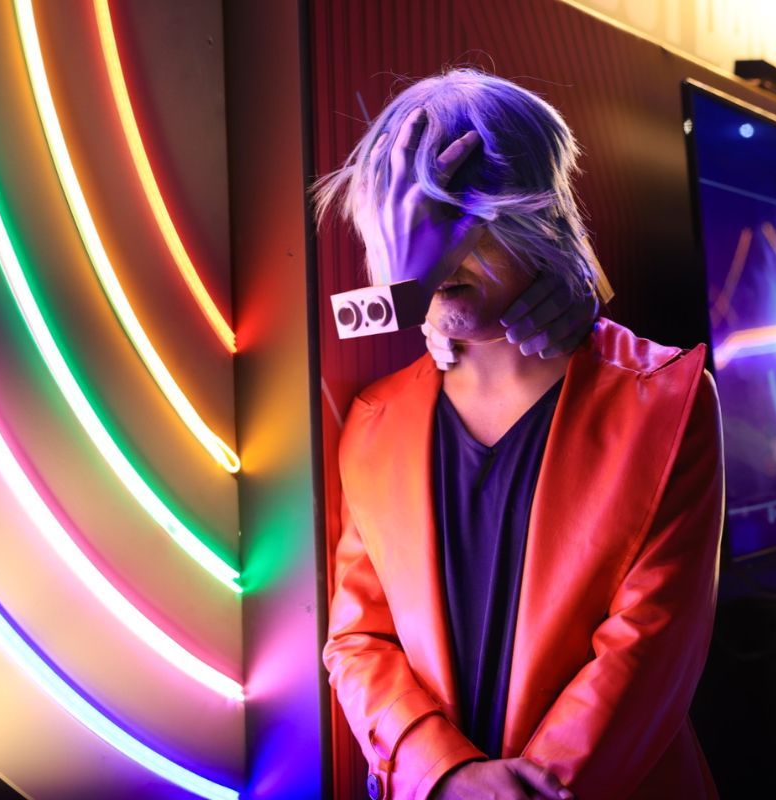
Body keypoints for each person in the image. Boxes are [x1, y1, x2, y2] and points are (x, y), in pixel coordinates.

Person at [312, 68, 724, 800]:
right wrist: (440, 773)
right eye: (411, 227)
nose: (437, 256)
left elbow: (650, 644)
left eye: (459, 219)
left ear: (530, 216)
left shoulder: (665, 401)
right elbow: (358, 639)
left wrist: (534, 789)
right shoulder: (375, 421)